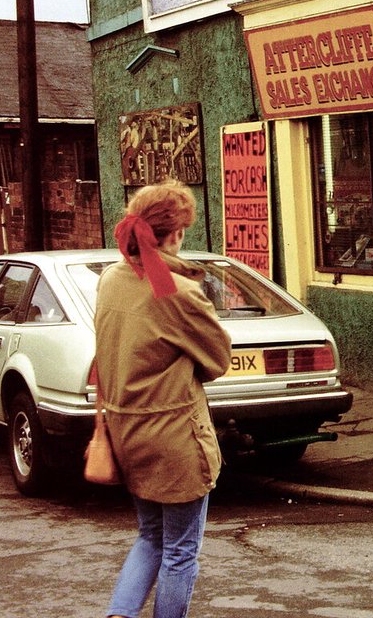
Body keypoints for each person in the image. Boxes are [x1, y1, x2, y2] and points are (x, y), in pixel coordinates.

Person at [95, 180, 231, 618]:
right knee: (180, 551)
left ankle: (119, 613)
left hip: (126, 432)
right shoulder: (177, 291)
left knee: (150, 535)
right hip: (174, 438)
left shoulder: (111, 279)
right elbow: (217, 359)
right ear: (172, 235)